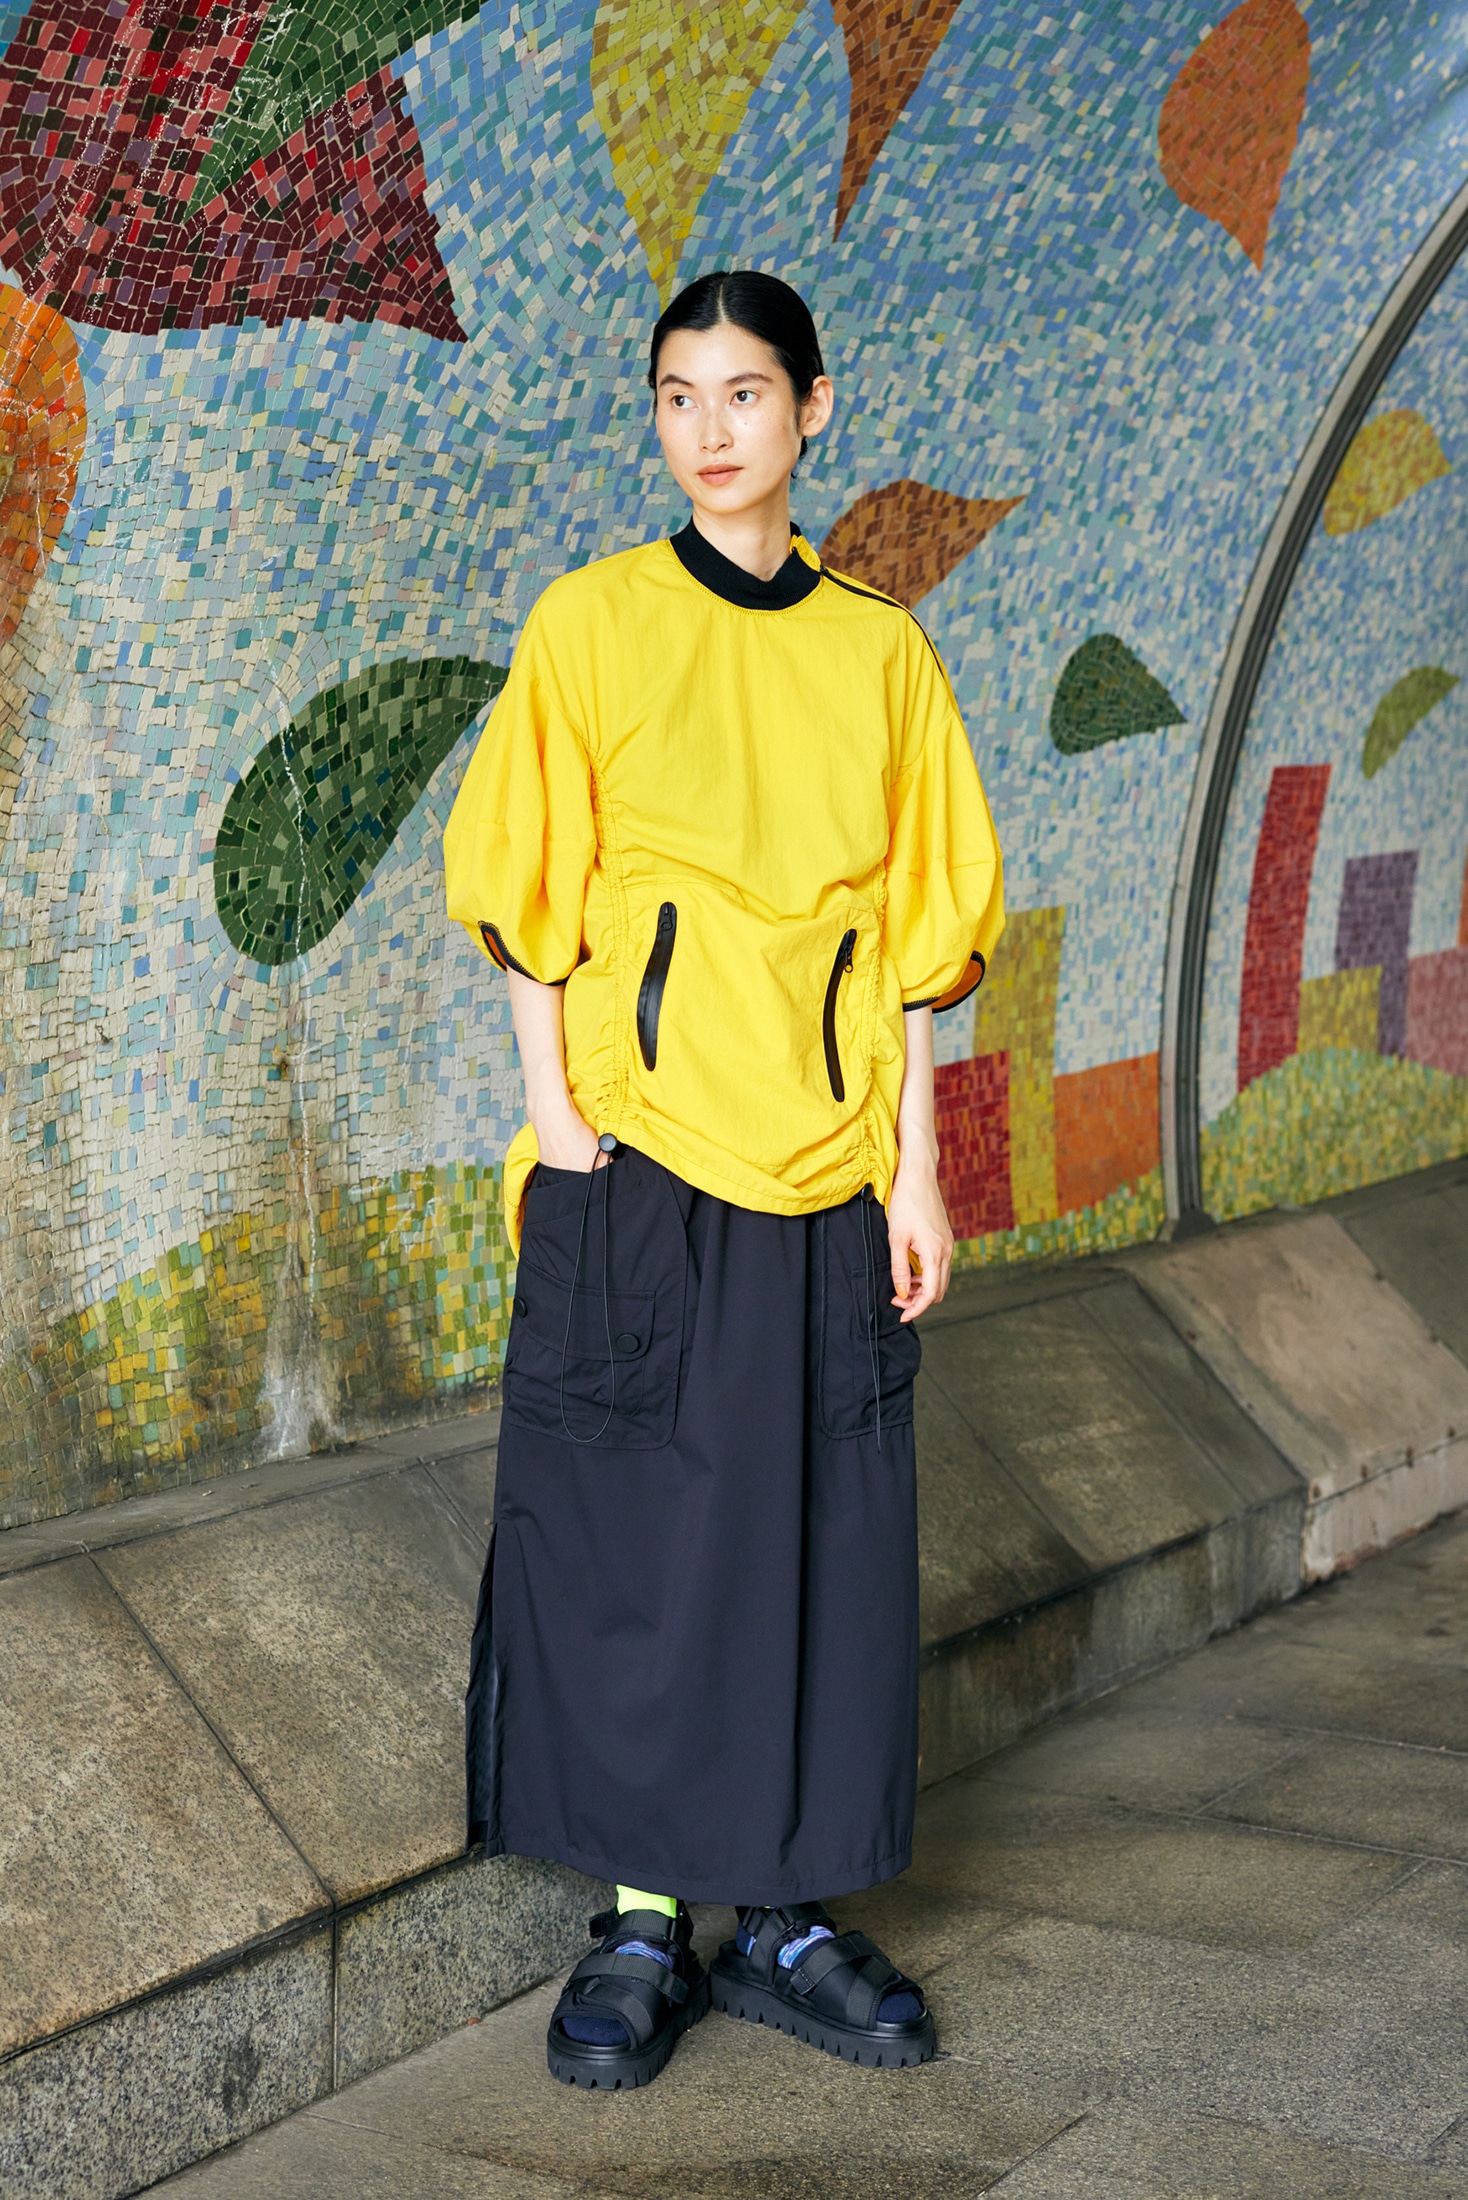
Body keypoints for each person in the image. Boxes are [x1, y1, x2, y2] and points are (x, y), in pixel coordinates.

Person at [443, 269, 1004, 2090]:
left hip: (830, 1166)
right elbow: (527, 888)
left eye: (745, 394)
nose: (710, 430)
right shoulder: (594, 624)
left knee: (821, 1535)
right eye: (678, 396)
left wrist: (917, 1176)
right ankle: (637, 1924)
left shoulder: (883, 655)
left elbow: (917, 946)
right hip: (640, 1149)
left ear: (812, 409)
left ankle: (784, 1920)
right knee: (633, 1533)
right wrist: (557, 1118)